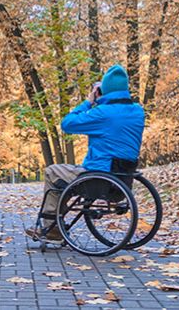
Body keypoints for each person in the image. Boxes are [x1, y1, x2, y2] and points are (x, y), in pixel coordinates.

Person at [25, 64, 145, 241]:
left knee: (52, 172)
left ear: (104, 90)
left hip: (97, 178)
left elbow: (67, 124)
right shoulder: (138, 111)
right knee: (65, 175)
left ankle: (52, 229)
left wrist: (88, 102)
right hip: (122, 181)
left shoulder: (102, 113)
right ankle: (55, 223)